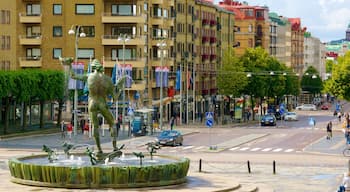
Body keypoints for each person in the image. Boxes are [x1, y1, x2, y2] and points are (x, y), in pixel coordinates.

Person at [67, 58, 126, 156]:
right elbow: (115, 98)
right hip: (102, 103)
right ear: (101, 68)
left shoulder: (88, 76)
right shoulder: (107, 79)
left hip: (92, 103)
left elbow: (73, 75)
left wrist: (69, 65)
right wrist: (119, 88)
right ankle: (114, 147)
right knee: (112, 123)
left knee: (95, 126)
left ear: (92, 67)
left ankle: (99, 149)